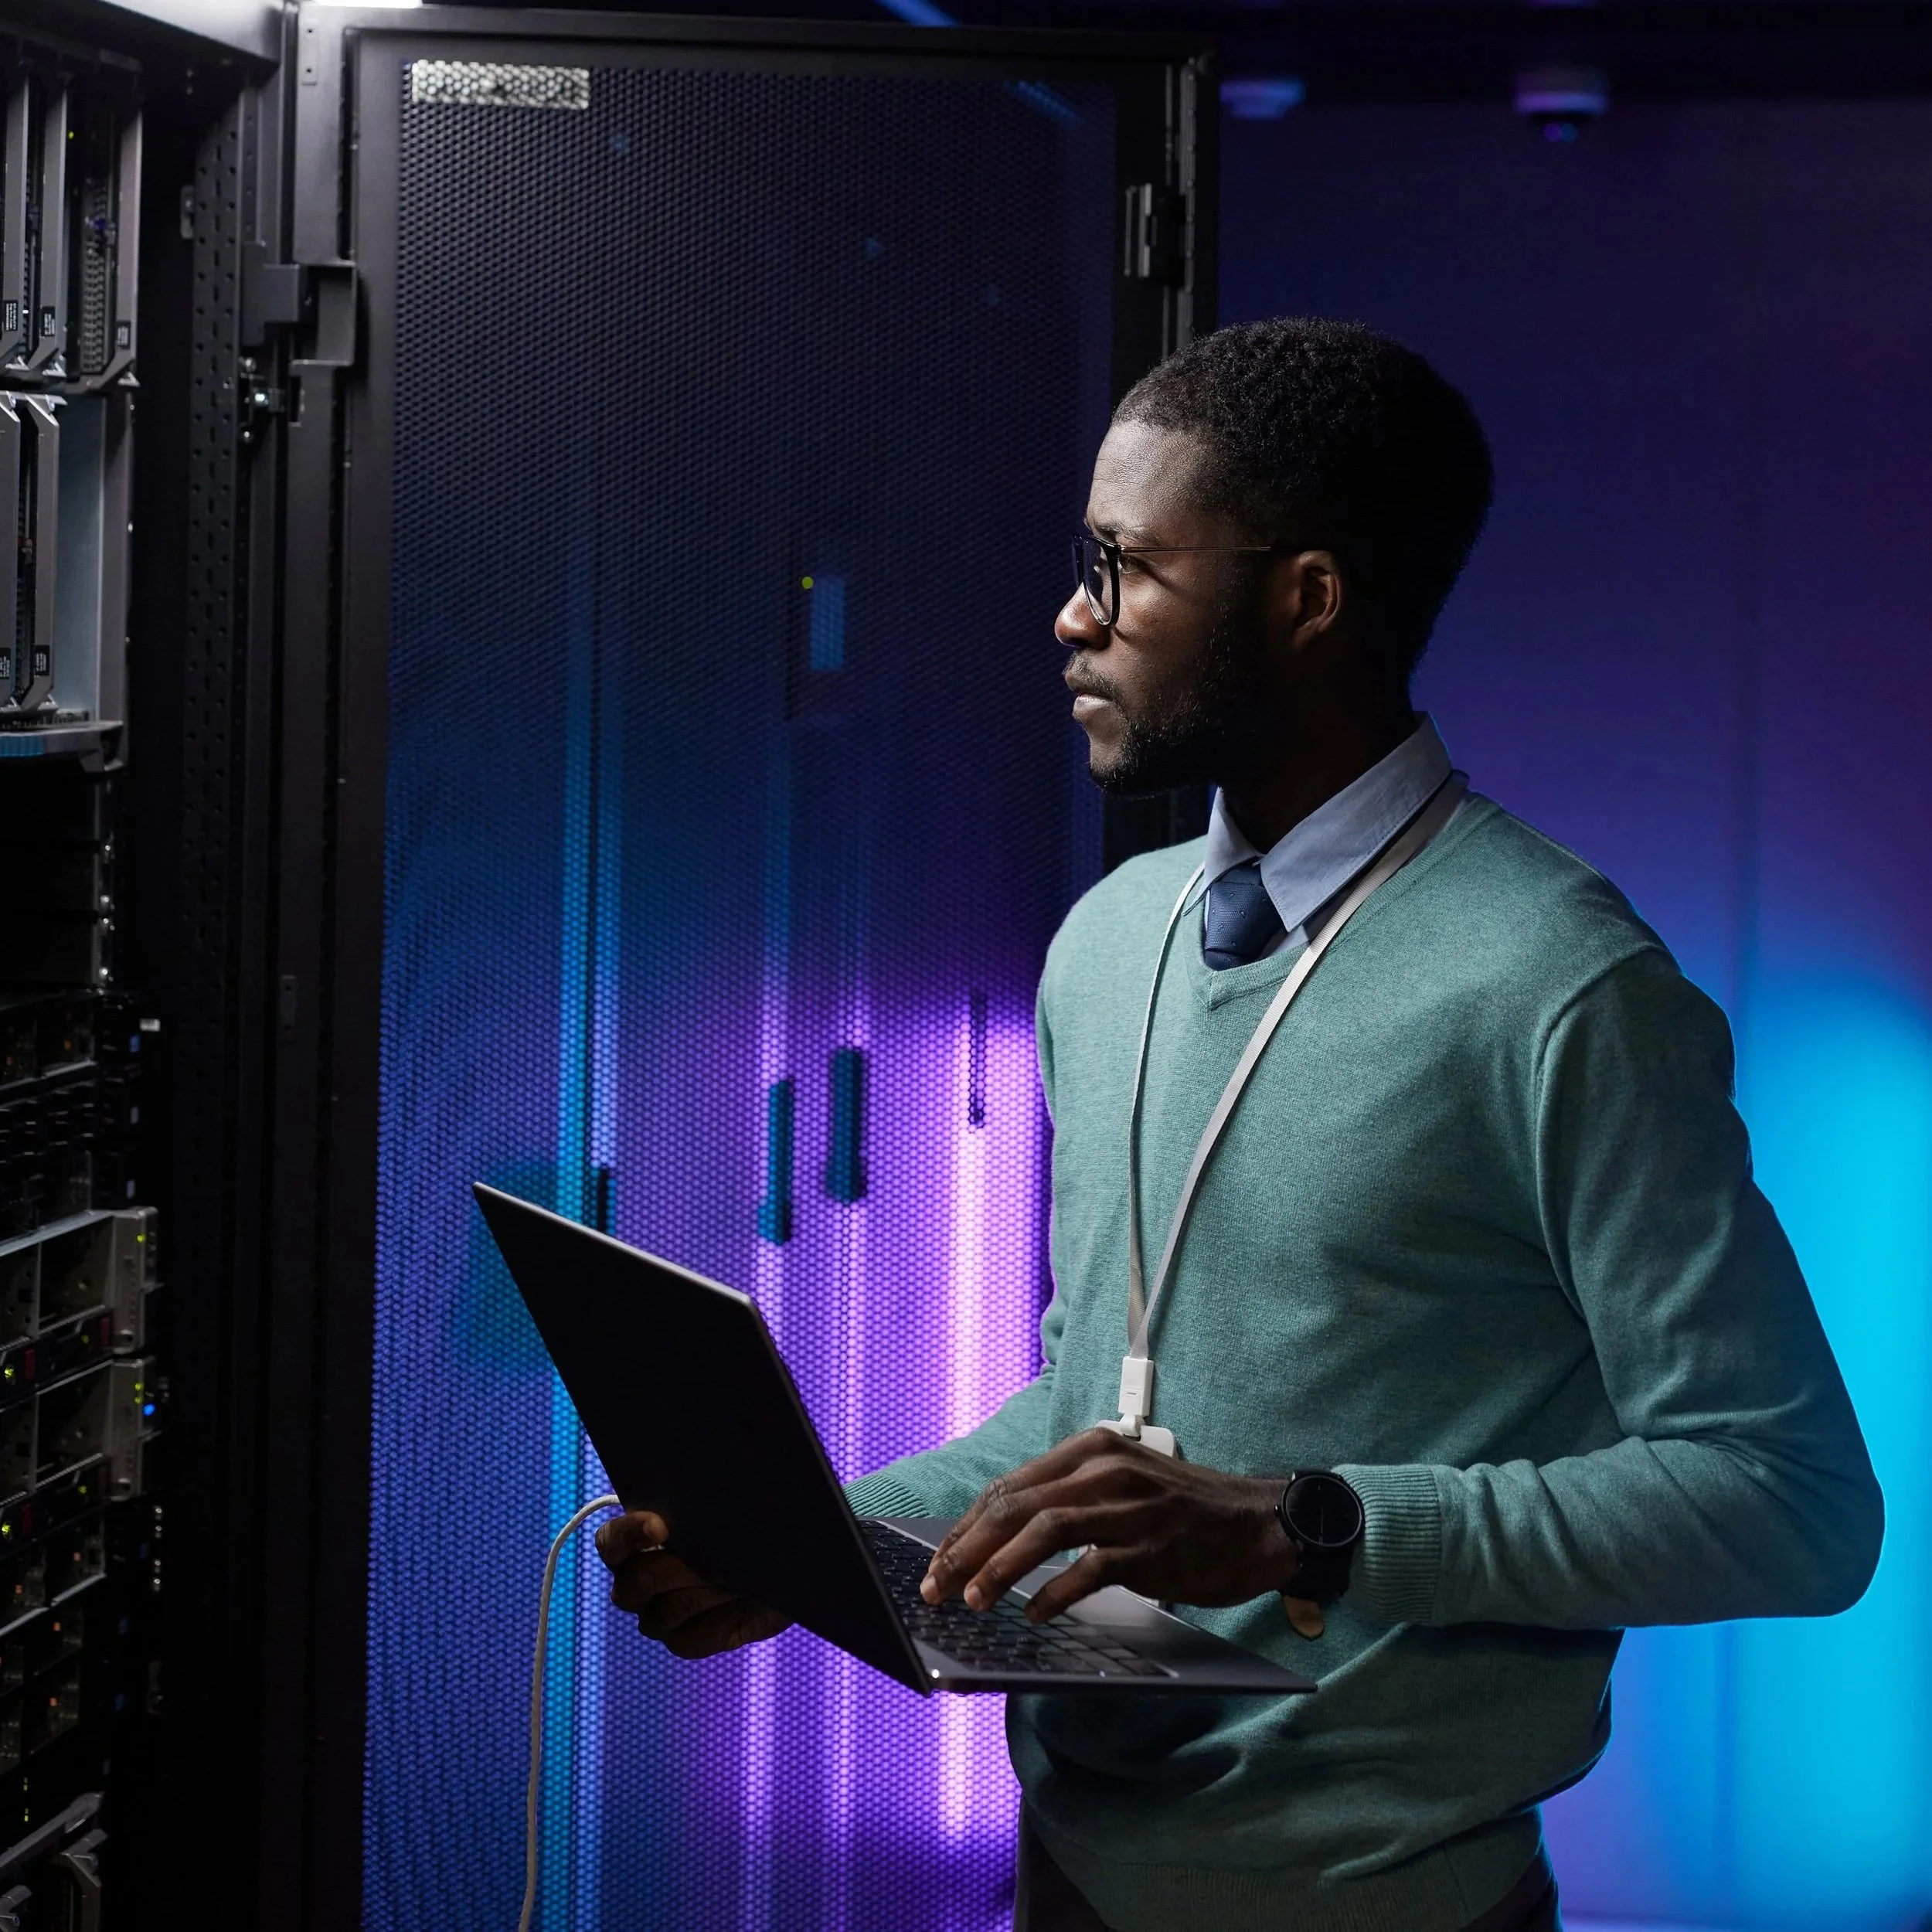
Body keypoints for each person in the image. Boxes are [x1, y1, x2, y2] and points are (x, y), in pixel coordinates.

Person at [596, 317, 1883, 1932]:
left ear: (1307, 598)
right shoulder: (1109, 937)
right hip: (1066, 1875)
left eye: (1126, 569)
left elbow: (1787, 1500)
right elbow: (1092, 1412)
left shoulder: (1563, 986)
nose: (1072, 617)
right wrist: (823, 1549)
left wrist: (1307, 1522)